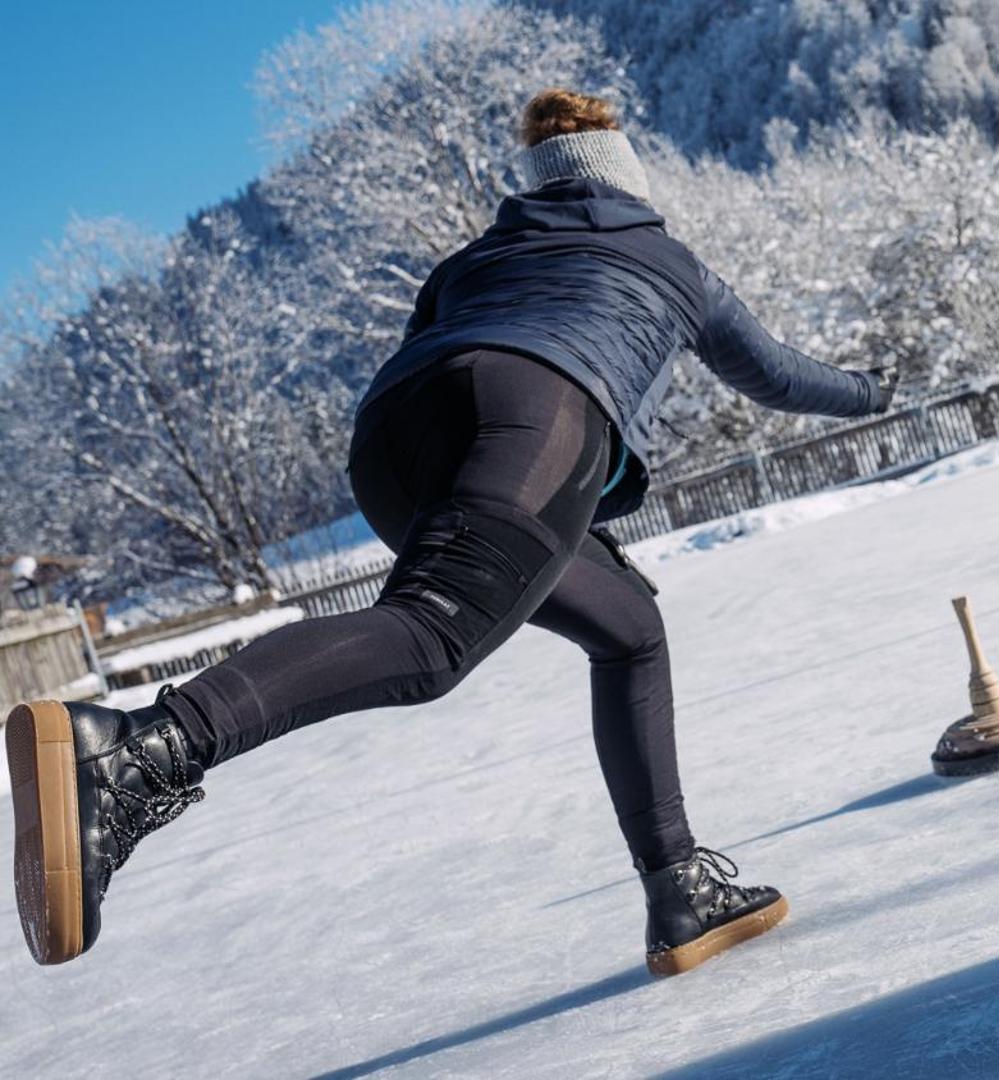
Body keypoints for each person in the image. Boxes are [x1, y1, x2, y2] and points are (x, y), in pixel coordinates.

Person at [6, 89, 896, 974]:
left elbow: (440, 362)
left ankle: (678, 888)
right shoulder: (671, 265)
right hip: (542, 412)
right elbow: (776, 375)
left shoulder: (473, 262)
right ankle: (142, 748)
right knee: (434, 634)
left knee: (629, 629)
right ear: (632, 185)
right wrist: (868, 389)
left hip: (395, 442)